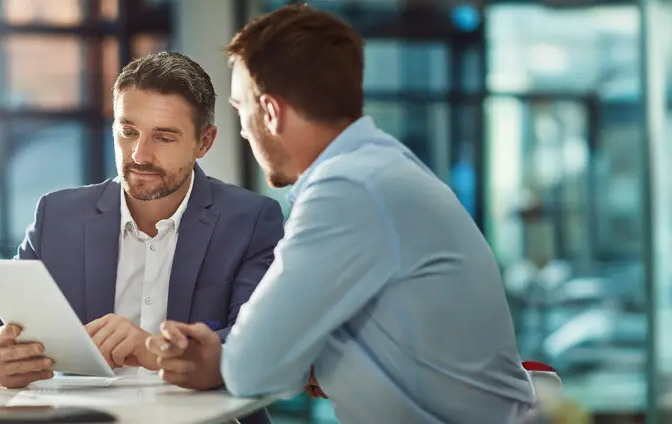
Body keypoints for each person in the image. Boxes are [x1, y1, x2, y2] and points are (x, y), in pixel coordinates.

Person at [145, 5, 537, 423]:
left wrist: (221, 361)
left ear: (271, 113)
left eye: (242, 109)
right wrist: (311, 362)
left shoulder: (348, 190)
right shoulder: (376, 169)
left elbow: (249, 368)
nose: (242, 129)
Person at [0, 52, 285, 390]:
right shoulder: (58, 217)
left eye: (164, 137)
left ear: (204, 142)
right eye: (128, 132)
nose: (140, 154)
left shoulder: (250, 220)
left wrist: (153, 349)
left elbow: (261, 340)